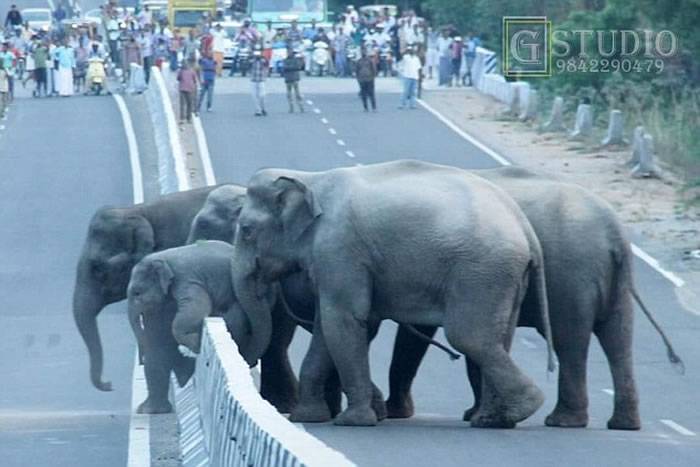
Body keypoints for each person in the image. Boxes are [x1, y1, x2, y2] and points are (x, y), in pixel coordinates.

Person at [282, 46, 304, 113]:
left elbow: (298, 67)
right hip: (290, 78)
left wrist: (290, 68)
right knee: (290, 93)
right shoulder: (287, 60)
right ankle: (292, 107)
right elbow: (286, 68)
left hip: (294, 78)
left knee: (297, 93)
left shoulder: (292, 60)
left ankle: (300, 107)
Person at [398, 45, 421, 109]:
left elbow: (418, 68)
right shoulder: (405, 57)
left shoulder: (416, 58)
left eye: (412, 50)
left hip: (415, 76)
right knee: (405, 91)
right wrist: (405, 51)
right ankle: (402, 104)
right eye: (410, 50)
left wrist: (419, 77)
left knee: (413, 92)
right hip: (407, 76)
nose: (411, 51)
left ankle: (412, 104)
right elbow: (401, 56)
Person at [355, 46, 376, 112]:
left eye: (364, 51)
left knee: (371, 94)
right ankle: (365, 107)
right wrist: (358, 79)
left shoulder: (370, 61)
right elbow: (357, 71)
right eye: (362, 52)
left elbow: (373, 70)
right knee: (363, 95)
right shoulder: (359, 61)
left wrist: (373, 78)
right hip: (362, 80)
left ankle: (374, 107)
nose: (363, 53)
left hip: (369, 79)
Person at [177, 59, 198, 123]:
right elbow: (195, 80)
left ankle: (182, 119)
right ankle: (189, 119)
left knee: (182, 104)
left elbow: (178, 78)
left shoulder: (181, 71)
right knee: (189, 104)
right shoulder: (192, 71)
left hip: (182, 89)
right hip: (190, 89)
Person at [249, 47, 267, 116]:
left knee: (262, 95)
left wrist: (261, 57)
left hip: (261, 79)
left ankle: (263, 108)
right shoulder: (252, 59)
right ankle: (258, 110)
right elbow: (248, 63)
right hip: (253, 80)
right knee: (254, 96)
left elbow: (266, 63)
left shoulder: (263, 59)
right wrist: (252, 57)